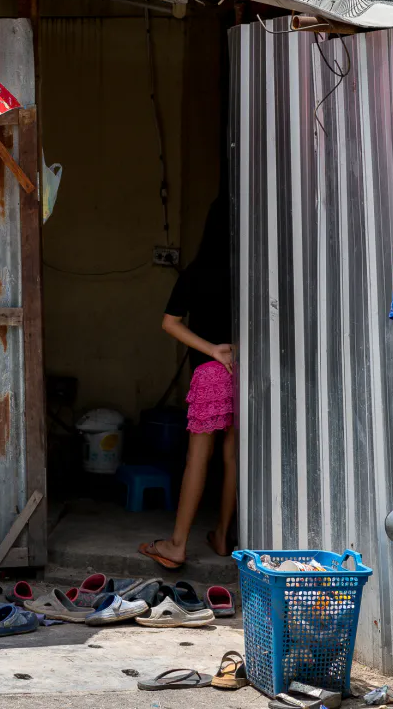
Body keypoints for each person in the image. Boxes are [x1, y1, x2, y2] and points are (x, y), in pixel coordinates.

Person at [139, 196, 235, 570]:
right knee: (233, 455)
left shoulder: (198, 271)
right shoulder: (252, 271)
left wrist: (211, 349)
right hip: (245, 371)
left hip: (212, 372)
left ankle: (177, 544)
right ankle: (223, 536)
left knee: (199, 456)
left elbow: (170, 322)